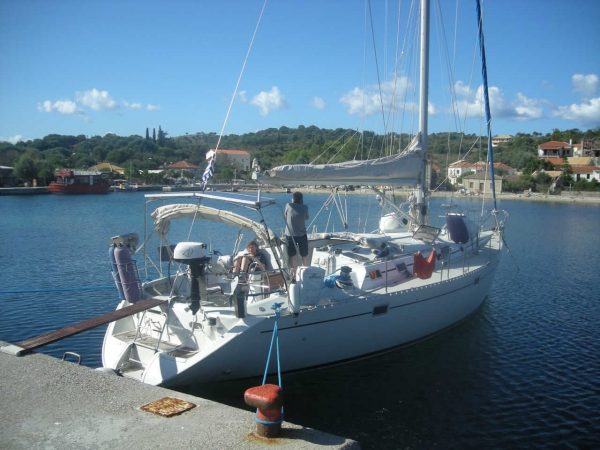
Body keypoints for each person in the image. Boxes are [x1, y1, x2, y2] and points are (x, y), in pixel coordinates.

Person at [284, 191, 309, 271]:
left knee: (292, 255)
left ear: (293, 199)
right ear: (301, 199)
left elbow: (285, 216)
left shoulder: (288, 205)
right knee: (304, 255)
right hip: (301, 234)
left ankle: (293, 274)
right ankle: (304, 271)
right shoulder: (305, 207)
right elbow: (306, 218)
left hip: (290, 234)